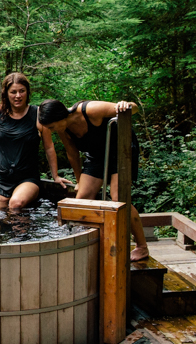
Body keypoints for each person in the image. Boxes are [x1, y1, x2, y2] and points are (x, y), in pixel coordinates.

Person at [39, 98, 149, 261]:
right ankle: (86, 243)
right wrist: (79, 181)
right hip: (97, 155)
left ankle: (142, 246)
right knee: (81, 200)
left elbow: (134, 108)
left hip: (121, 150)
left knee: (119, 198)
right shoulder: (63, 129)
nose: (52, 131)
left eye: (52, 127)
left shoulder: (91, 110)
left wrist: (125, 106)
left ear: (60, 118)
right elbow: (72, 153)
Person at [0, 72, 72, 210]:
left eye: (21, 91)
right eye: (13, 92)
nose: (18, 96)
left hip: (27, 177)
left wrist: (55, 176)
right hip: (1, 176)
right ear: (6, 93)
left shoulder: (37, 114)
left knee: (15, 204)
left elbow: (49, 147)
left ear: (27, 92)